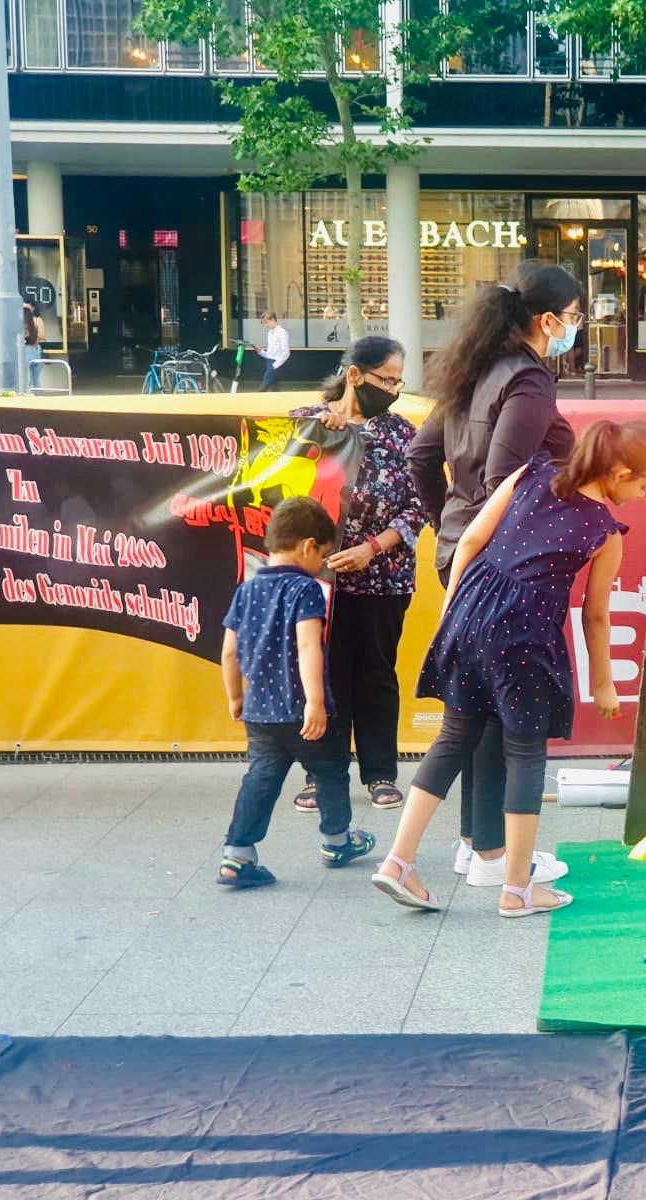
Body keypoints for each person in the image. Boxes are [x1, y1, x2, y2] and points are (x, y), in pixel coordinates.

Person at [373, 421, 646, 913]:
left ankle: (398, 862)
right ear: (618, 472)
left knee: (453, 738)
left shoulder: (529, 473)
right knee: (525, 754)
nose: (641, 495)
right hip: (525, 635)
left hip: (470, 611)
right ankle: (517, 888)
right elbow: (595, 616)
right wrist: (604, 683)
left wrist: (451, 614)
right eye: (643, 485)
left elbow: (468, 542)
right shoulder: (604, 531)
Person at [408, 262, 583, 888]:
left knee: (474, 703)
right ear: (547, 320)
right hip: (502, 565)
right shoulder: (529, 380)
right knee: (498, 711)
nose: (578, 327)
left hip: (463, 552)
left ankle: (474, 845)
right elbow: (504, 481)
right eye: (575, 316)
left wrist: (449, 528)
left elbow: (422, 456)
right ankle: (490, 854)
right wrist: (485, 544)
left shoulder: (475, 367)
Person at [288, 337, 426, 814]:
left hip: (383, 576)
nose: (393, 390)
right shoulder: (306, 421)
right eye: (386, 380)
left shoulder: (402, 434)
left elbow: (419, 506)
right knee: (322, 675)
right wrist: (318, 430)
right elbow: (276, 488)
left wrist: (373, 548)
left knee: (375, 674)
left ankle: (380, 773)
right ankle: (320, 775)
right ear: (354, 375)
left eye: (398, 382)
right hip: (318, 581)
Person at [216, 497, 376, 889]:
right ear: (308, 546)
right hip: (303, 711)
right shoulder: (305, 589)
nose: (322, 563)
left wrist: (235, 697)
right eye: (322, 554)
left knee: (260, 778)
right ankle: (336, 842)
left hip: (260, 712)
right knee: (330, 772)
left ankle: (237, 854)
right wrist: (316, 703)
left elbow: (229, 652)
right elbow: (308, 646)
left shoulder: (245, 590)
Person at [257, 310, 291, 391]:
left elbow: (286, 353)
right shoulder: (270, 333)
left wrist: (275, 365)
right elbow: (270, 353)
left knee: (262, 389)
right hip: (269, 362)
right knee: (274, 389)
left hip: (276, 364)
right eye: (264, 324)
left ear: (272, 320)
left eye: (266, 323)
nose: (265, 326)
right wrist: (260, 352)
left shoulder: (282, 333)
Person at [22, 304, 44, 391]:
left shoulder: (22, 326)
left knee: (27, 378)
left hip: (26, 351)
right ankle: (37, 396)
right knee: (36, 379)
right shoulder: (33, 325)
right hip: (35, 351)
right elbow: (40, 337)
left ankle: (27, 395)